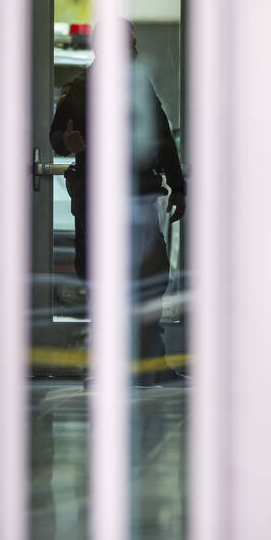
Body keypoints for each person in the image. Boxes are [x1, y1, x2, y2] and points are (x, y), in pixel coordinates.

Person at [49, 21, 187, 384]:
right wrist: (71, 145)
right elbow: (57, 139)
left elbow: (161, 135)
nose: (135, 52)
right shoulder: (79, 90)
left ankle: (150, 364)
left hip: (140, 195)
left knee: (152, 277)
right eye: (129, 45)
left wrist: (179, 185)